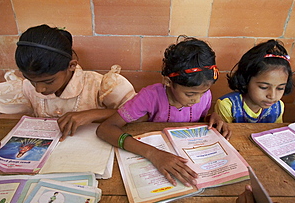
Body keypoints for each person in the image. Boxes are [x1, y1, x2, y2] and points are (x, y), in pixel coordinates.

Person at [0, 24, 136, 171]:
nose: (39, 89)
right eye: (31, 81)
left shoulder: (100, 85)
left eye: (48, 81)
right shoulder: (26, 88)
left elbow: (140, 112)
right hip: (46, 165)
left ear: (71, 66)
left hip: (94, 162)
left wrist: (92, 114)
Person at [97, 36, 231, 187]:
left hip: (190, 160)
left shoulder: (204, 95)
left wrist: (212, 117)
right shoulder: (149, 96)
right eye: (190, 94)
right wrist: (153, 154)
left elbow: (197, 118)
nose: (198, 100)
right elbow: (105, 129)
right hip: (155, 158)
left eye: (204, 92)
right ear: (168, 82)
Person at [215, 39, 293, 123]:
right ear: (246, 80)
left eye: (280, 88)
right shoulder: (228, 105)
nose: (272, 96)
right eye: (264, 87)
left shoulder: (278, 106)